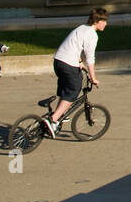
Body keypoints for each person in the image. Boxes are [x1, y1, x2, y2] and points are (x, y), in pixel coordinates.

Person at [42, 8, 108, 137]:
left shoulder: (82, 28)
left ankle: (59, 113)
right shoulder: (92, 35)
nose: (106, 24)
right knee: (73, 90)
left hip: (58, 61)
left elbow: (73, 45)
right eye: (104, 21)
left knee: (66, 89)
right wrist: (93, 78)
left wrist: (79, 62)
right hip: (68, 64)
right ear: (97, 21)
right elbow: (90, 58)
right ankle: (53, 120)